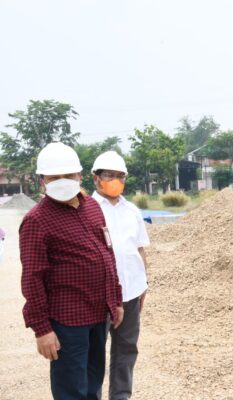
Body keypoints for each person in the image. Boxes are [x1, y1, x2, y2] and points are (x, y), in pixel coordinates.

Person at [20, 142, 123, 400]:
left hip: (98, 314)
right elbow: (33, 278)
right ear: (43, 181)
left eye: (68, 175)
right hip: (67, 320)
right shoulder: (36, 221)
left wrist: (116, 300)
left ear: (79, 175)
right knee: (71, 389)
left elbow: (107, 255)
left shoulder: (91, 207)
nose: (63, 181)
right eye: (55, 177)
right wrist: (42, 329)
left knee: (92, 383)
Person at [91, 151, 150, 400]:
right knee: (94, 353)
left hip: (131, 292)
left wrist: (144, 284)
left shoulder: (132, 211)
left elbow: (139, 249)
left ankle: (121, 396)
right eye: (109, 175)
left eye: (120, 176)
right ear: (95, 178)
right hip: (98, 297)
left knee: (126, 349)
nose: (115, 180)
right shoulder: (87, 210)